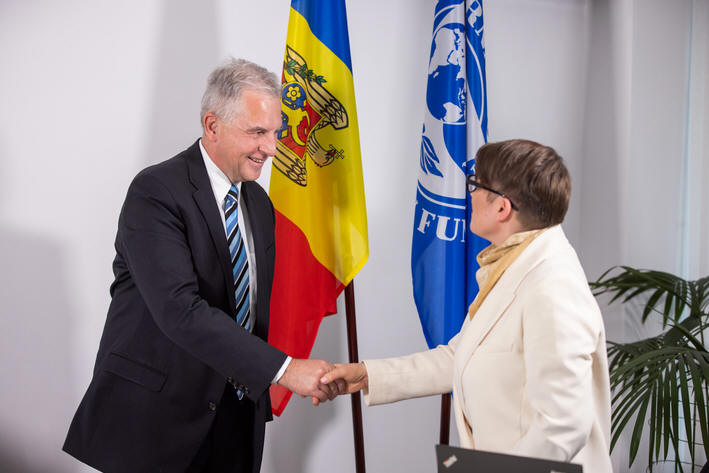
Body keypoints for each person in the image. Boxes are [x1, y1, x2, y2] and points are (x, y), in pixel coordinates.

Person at [63, 58, 338, 473]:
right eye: (257, 132)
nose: (271, 148)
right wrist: (284, 369)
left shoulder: (258, 202)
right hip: (157, 421)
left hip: (235, 419)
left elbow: (249, 312)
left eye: (275, 133)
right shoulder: (155, 192)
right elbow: (180, 310)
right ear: (212, 126)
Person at [323, 139, 613, 473]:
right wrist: (366, 375)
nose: (469, 194)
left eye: (475, 184)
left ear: (502, 208)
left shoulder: (553, 285)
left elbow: (563, 425)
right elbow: (461, 355)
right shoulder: (513, 264)